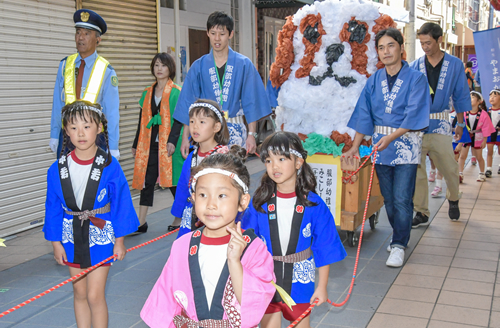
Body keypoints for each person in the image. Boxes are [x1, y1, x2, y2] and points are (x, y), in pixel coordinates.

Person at [141, 146, 276, 327]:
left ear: (242, 201)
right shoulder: (182, 246)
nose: (211, 204)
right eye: (203, 195)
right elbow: (165, 302)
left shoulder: (253, 248)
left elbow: (255, 302)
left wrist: (235, 262)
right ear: (194, 197)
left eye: (222, 195)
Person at [43, 101, 139, 327]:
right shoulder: (57, 167)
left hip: (101, 233)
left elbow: (121, 203)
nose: (81, 133)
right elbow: (53, 206)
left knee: (95, 295)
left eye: (87, 126)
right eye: (73, 127)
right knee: (79, 293)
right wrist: (56, 243)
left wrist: (120, 241)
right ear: (66, 131)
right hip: (71, 234)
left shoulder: (108, 164)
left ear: (99, 128)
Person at [343, 28, 430, 267]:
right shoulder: (375, 80)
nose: (386, 51)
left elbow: (415, 115)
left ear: (401, 48)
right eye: (381, 47)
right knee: (389, 199)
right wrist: (354, 147)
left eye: (390, 46)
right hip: (381, 148)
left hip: (405, 146)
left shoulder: (416, 79)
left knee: (402, 198)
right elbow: (364, 114)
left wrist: (392, 137)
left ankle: (399, 244)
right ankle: (399, 234)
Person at [243, 131, 347, 327]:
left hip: (300, 281)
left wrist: (322, 286)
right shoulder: (259, 202)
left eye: (282, 159)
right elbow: (246, 240)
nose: (274, 166)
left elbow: (324, 246)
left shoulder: (313, 204)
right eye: (268, 160)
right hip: (266, 279)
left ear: (298, 162)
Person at [174, 11, 272, 157]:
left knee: (233, 176)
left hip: (236, 130)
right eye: (213, 33)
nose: (217, 38)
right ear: (207, 33)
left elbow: (251, 102)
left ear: (231, 34)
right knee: (208, 175)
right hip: (207, 131)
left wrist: (252, 134)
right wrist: (185, 139)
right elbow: (188, 103)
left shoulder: (244, 64)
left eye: (222, 34)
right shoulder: (198, 66)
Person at [410, 22, 470, 227]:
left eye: (428, 42)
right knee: (416, 168)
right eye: (422, 43)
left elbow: (461, 94)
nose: (425, 47)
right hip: (417, 124)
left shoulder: (454, 64)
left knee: (449, 166)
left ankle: (453, 198)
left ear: (439, 40)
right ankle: (421, 211)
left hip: (441, 121)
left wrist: (460, 123)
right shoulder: (415, 65)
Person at [50, 9, 120, 160]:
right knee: (66, 182)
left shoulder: (106, 71)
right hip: (67, 137)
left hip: (94, 139)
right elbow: (57, 103)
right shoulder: (65, 65)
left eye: (87, 34)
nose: (80, 38)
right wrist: (55, 134)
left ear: (98, 40)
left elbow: (112, 113)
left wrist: (113, 147)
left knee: (93, 183)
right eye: (78, 32)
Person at [132, 53, 184, 234]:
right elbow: (142, 120)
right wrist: (135, 143)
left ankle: (181, 217)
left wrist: (172, 141)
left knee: (172, 183)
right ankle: (141, 221)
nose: (159, 69)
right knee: (147, 181)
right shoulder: (147, 92)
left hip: (169, 145)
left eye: (163, 65)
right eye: (156, 65)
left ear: (170, 68)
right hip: (149, 145)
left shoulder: (176, 91)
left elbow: (180, 119)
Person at [172, 100, 230, 238]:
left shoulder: (222, 156)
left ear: (216, 126)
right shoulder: (192, 156)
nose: (195, 127)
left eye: (202, 122)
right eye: (192, 121)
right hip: (190, 213)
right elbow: (182, 186)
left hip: (214, 213)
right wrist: (179, 212)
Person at [457, 91, 496, 182]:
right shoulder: (464, 112)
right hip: (466, 135)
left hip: (478, 136)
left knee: (479, 156)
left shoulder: (483, 114)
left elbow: (486, 127)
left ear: (479, 101)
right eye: (469, 97)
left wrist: (485, 140)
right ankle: (460, 174)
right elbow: (460, 124)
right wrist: (460, 139)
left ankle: (482, 173)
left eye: (473, 97)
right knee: (462, 156)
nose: (470, 99)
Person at [486, 88, 500, 176]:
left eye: (495, 96)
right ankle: (489, 169)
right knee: (489, 151)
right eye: (491, 96)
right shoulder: (488, 111)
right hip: (490, 134)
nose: (492, 98)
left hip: (499, 134)